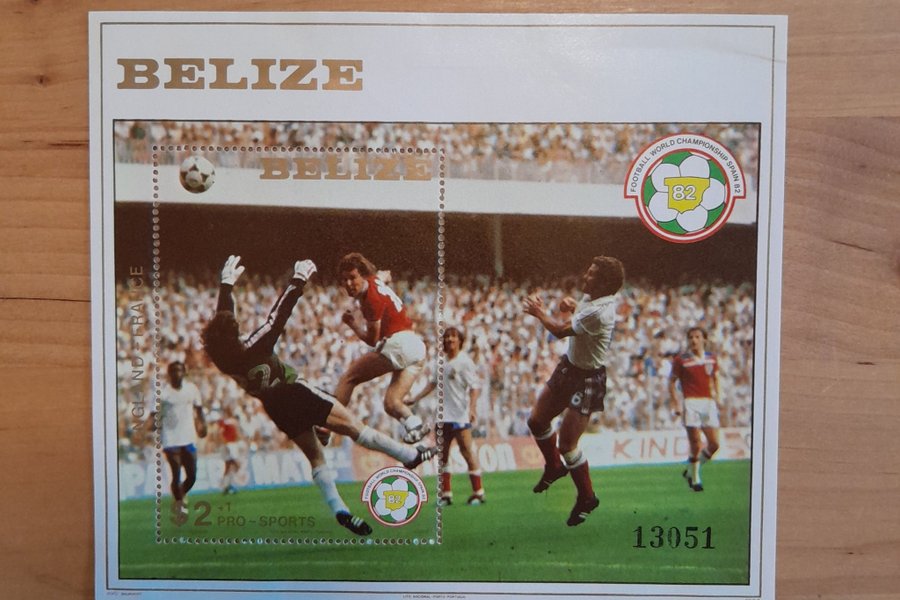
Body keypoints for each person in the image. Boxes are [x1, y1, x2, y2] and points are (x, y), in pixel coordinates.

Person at [201, 255, 436, 537]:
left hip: (273, 406)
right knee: (354, 427)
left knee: (316, 457)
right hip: (293, 390)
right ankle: (408, 455)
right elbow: (277, 317)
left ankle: (339, 509)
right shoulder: (254, 347)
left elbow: (223, 322)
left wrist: (226, 287)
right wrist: (298, 280)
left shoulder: (222, 359)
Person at [523, 256, 625, 526]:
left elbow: (560, 330)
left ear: (603, 282)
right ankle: (554, 467)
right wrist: (575, 305)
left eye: (591, 274)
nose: (585, 277)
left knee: (567, 445)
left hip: (588, 378)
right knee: (536, 421)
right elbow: (583, 315)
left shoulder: (601, 311)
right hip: (569, 368)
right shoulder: (592, 299)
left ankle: (587, 497)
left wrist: (539, 312)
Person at [331, 252, 429, 444]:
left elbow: (372, 340)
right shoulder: (375, 280)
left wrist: (352, 324)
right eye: (344, 280)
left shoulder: (371, 300)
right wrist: (384, 278)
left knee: (349, 378)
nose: (349, 284)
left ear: (362, 276)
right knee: (391, 403)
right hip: (416, 347)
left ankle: (327, 427)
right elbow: (386, 274)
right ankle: (415, 425)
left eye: (353, 278)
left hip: (399, 343)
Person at [407, 326, 485, 506]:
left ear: (460, 341)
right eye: (447, 336)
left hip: (460, 416)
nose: (450, 339)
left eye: (453, 336)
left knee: (467, 452)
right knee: (443, 455)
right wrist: (415, 398)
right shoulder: (440, 362)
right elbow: (432, 384)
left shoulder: (464, 362)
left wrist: (472, 409)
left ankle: (478, 492)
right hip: (442, 416)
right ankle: (446, 495)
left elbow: (474, 387)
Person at [668, 327, 721, 492]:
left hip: (708, 403)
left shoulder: (711, 358)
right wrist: (676, 403)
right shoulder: (681, 360)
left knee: (714, 444)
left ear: (704, 339)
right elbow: (671, 382)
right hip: (690, 402)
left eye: (697, 337)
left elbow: (715, 377)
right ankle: (696, 480)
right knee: (696, 443)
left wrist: (718, 395)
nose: (694, 340)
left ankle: (690, 471)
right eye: (691, 337)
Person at [153, 361, 207, 517]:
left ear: (184, 372)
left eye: (179, 370)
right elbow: (156, 415)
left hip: (188, 437)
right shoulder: (163, 393)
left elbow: (199, 409)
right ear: (169, 374)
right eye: (174, 371)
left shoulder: (192, 389)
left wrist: (203, 425)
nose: (177, 374)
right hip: (170, 439)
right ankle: (179, 505)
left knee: (192, 476)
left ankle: (180, 494)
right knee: (176, 472)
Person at [217, 406, 243, 495]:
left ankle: (226, 485)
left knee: (228, 466)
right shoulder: (224, 422)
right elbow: (220, 433)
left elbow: (236, 432)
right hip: (229, 445)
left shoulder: (230, 421)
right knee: (236, 464)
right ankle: (229, 484)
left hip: (232, 444)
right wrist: (225, 443)